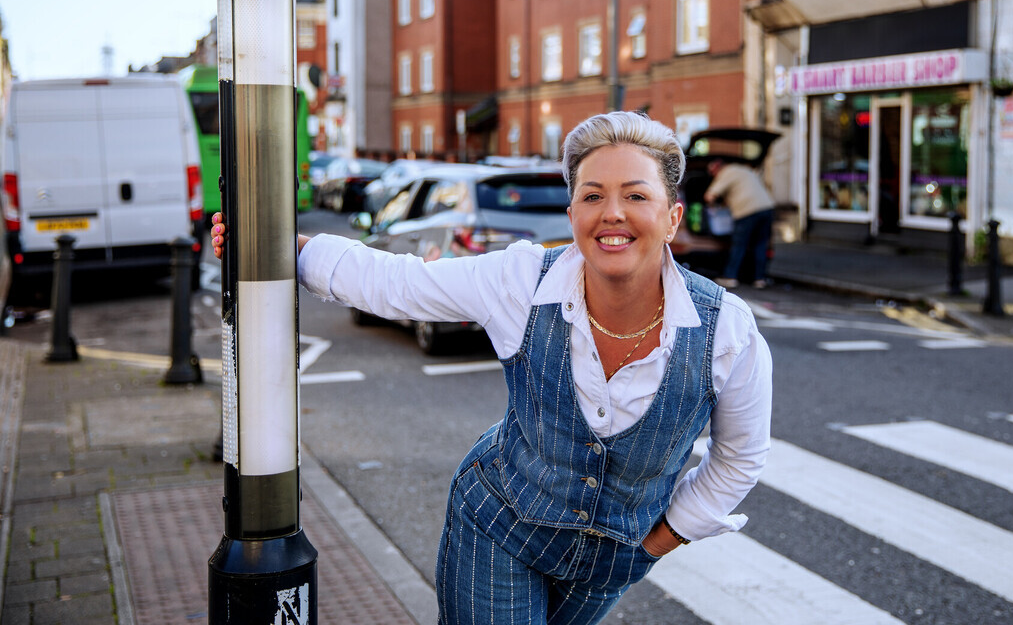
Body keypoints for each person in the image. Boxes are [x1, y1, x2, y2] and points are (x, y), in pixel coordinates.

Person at [212, 111, 772, 625]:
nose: (613, 214)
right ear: (573, 212)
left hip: (612, 560)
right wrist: (280, 245)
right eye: (593, 195)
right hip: (499, 529)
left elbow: (740, 456)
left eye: (636, 195)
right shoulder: (523, 280)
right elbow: (399, 283)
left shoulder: (728, 330)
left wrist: (656, 543)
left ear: (672, 217)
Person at [702, 157, 775, 289]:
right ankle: (760, 279)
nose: (713, 176)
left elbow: (709, 196)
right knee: (760, 244)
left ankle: (730, 277)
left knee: (739, 244)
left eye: (712, 173)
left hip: (747, 211)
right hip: (767, 207)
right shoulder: (744, 170)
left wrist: (713, 208)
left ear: (718, 168)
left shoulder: (726, 173)